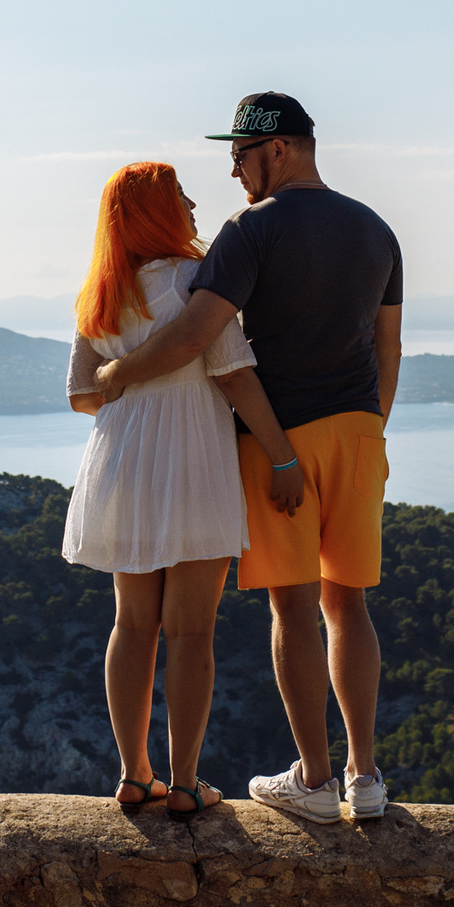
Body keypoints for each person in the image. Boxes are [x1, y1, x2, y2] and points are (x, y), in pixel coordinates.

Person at [93, 93, 403, 824]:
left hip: (279, 441)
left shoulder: (249, 230)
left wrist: (118, 375)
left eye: (240, 154)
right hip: (359, 431)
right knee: (348, 602)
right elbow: (388, 347)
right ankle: (366, 775)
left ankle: (317, 781)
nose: (233, 171)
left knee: (294, 604)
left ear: (281, 149)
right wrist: (372, 430)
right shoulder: (378, 230)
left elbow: (197, 335)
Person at [63, 161, 301, 818]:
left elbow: (84, 395)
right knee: (191, 629)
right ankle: (188, 780)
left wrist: (132, 389)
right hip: (192, 454)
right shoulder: (198, 283)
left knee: (131, 623)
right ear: (156, 213)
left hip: (122, 457)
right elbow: (233, 373)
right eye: (180, 195)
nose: (194, 204)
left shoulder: (98, 296)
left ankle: (135, 773)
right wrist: (281, 455)